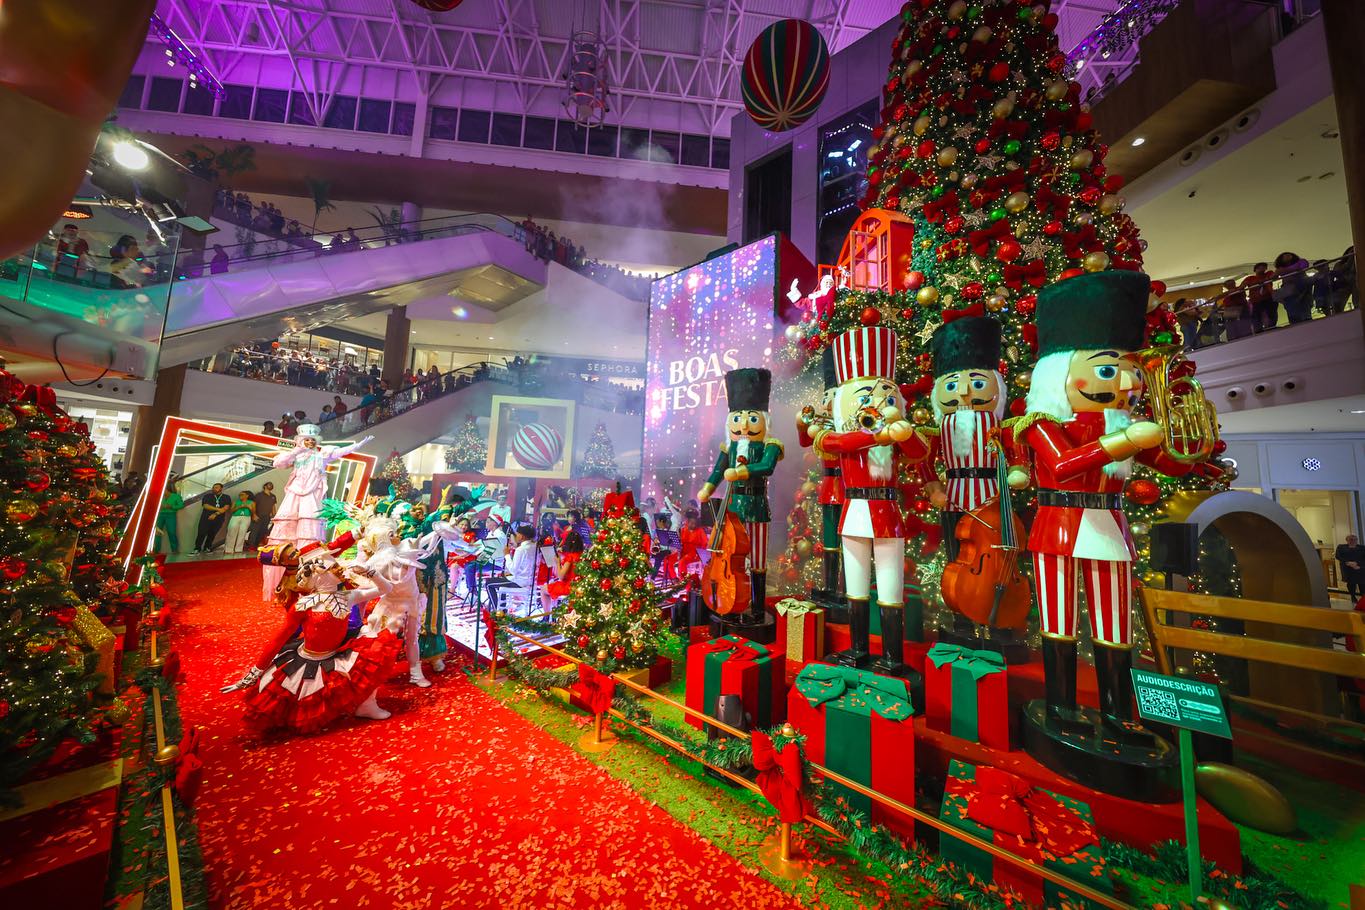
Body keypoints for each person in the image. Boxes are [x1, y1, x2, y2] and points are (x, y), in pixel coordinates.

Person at [221, 551, 398, 731]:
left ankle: (367, 706)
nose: (338, 568)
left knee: (375, 652)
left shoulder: (347, 596)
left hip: (337, 654)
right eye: (332, 567)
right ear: (317, 577)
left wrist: (370, 572)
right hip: (308, 660)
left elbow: (387, 589)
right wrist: (254, 673)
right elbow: (278, 639)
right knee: (298, 702)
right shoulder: (303, 605)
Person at [261, 424, 373, 599]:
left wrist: (356, 446)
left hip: (312, 498)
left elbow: (339, 453)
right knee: (287, 531)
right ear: (300, 441)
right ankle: (283, 579)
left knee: (309, 534)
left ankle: (309, 577)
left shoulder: (321, 456)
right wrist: (297, 451)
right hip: (295, 496)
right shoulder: (296, 456)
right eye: (307, 439)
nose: (310, 442)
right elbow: (278, 463)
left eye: (313, 440)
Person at [485, 524, 536, 613]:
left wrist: (507, 555)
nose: (516, 536)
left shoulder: (521, 549)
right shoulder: (534, 546)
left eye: (517, 534)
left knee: (489, 583)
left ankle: (495, 612)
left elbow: (513, 570)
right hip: (529, 580)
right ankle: (502, 610)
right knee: (500, 580)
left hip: (519, 581)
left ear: (522, 536)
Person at [1273, 252, 1314, 324]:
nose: (1287, 256)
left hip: (1302, 290)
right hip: (1290, 294)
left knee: (1305, 313)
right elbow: (1273, 277)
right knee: (1293, 315)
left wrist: (1284, 271)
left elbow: (1304, 265)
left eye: (1288, 255)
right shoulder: (1280, 269)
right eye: (1284, 256)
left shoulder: (1301, 261)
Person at [195, 483, 232, 553]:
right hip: (206, 518)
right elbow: (206, 506)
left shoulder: (226, 497)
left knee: (212, 534)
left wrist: (215, 514)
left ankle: (207, 548)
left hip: (219, 519)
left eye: (216, 487)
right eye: (213, 487)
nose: (214, 489)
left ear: (221, 489)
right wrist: (218, 509)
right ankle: (197, 548)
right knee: (201, 533)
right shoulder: (207, 496)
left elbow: (226, 507)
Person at [1242, 262, 1277, 332]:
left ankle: (1271, 327)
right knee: (1256, 316)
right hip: (1256, 301)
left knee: (1271, 314)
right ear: (1255, 270)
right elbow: (1241, 286)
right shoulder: (1250, 278)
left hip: (1268, 298)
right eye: (1259, 268)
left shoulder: (1269, 273)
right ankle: (1258, 330)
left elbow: (1274, 276)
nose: (1262, 269)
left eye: (1263, 267)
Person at [156, 479, 185, 555]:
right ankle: (156, 550)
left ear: (167, 489)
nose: (162, 491)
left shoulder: (176, 496)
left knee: (171, 532)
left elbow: (181, 505)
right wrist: (158, 507)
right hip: (160, 515)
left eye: (164, 490)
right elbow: (153, 505)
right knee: (157, 532)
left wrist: (172, 506)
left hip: (171, 515)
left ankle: (174, 550)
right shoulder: (159, 496)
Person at [1337, 534, 1365, 600]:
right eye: (1351, 539)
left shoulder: (1362, 547)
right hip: (1348, 569)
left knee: (1362, 584)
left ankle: (1363, 599)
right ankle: (1353, 597)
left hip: (1359, 568)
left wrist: (1357, 563)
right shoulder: (1341, 547)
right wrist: (1348, 563)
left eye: (1355, 539)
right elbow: (1338, 556)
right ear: (1347, 540)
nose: (1353, 541)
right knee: (1351, 584)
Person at [250, 481, 277, 548]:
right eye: (269, 484)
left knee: (263, 531)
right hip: (258, 515)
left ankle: (257, 544)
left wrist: (275, 515)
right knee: (255, 531)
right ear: (265, 486)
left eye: (272, 484)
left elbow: (273, 506)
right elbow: (253, 505)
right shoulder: (259, 495)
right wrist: (254, 514)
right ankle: (251, 545)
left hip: (267, 516)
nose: (271, 485)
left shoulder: (273, 496)